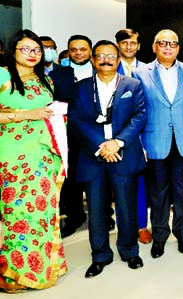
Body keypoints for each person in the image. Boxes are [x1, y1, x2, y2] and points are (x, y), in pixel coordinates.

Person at [68, 40, 147, 278]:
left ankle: (129, 251)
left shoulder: (133, 85)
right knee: (97, 209)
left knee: (126, 207)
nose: (106, 59)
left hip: (123, 154)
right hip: (94, 156)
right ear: (93, 60)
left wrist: (117, 142)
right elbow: (76, 119)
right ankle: (100, 255)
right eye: (100, 55)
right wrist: (101, 145)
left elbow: (139, 115)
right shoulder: (81, 88)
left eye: (111, 55)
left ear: (118, 59)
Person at [0, 29, 67, 292]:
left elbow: (48, 114)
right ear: (12, 50)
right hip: (13, 156)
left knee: (43, 213)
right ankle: (14, 274)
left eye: (37, 50)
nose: (33, 55)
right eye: (26, 49)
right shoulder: (3, 76)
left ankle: (44, 268)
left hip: (43, 157)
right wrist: (26, 114)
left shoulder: (45, 81)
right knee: (17, 214)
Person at [134, 29, 183, 258]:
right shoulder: (140, 73)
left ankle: (182, 233)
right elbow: (137, 111)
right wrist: (140, 144)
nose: (168, 47)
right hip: (154, 141)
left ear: (178, 47)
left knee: (182, 191)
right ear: (154, 47)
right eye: (163, 43)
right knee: (158, 193)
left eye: (173, 43)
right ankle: (159, 236)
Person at [49, 34, 94, 238]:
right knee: (71, 179)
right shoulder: (58, 75)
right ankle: (74, 217)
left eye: (82, 49)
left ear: (90, 51)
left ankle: (103, 215)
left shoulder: (100, 71)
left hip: (96, 134)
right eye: (73, 49)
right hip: (67, 135)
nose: (78, 53)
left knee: (98, 178)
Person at [115, 28, 151, 244]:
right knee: (120, 182)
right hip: (117, 135)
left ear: (138, 45)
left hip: (143, 133)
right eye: (124, 43)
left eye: (133, 43)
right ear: (118, 45)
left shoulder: (147, 70)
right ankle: (124, 227)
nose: (129, 46)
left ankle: (141, 226)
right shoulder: (107, 68)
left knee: (140, 182)